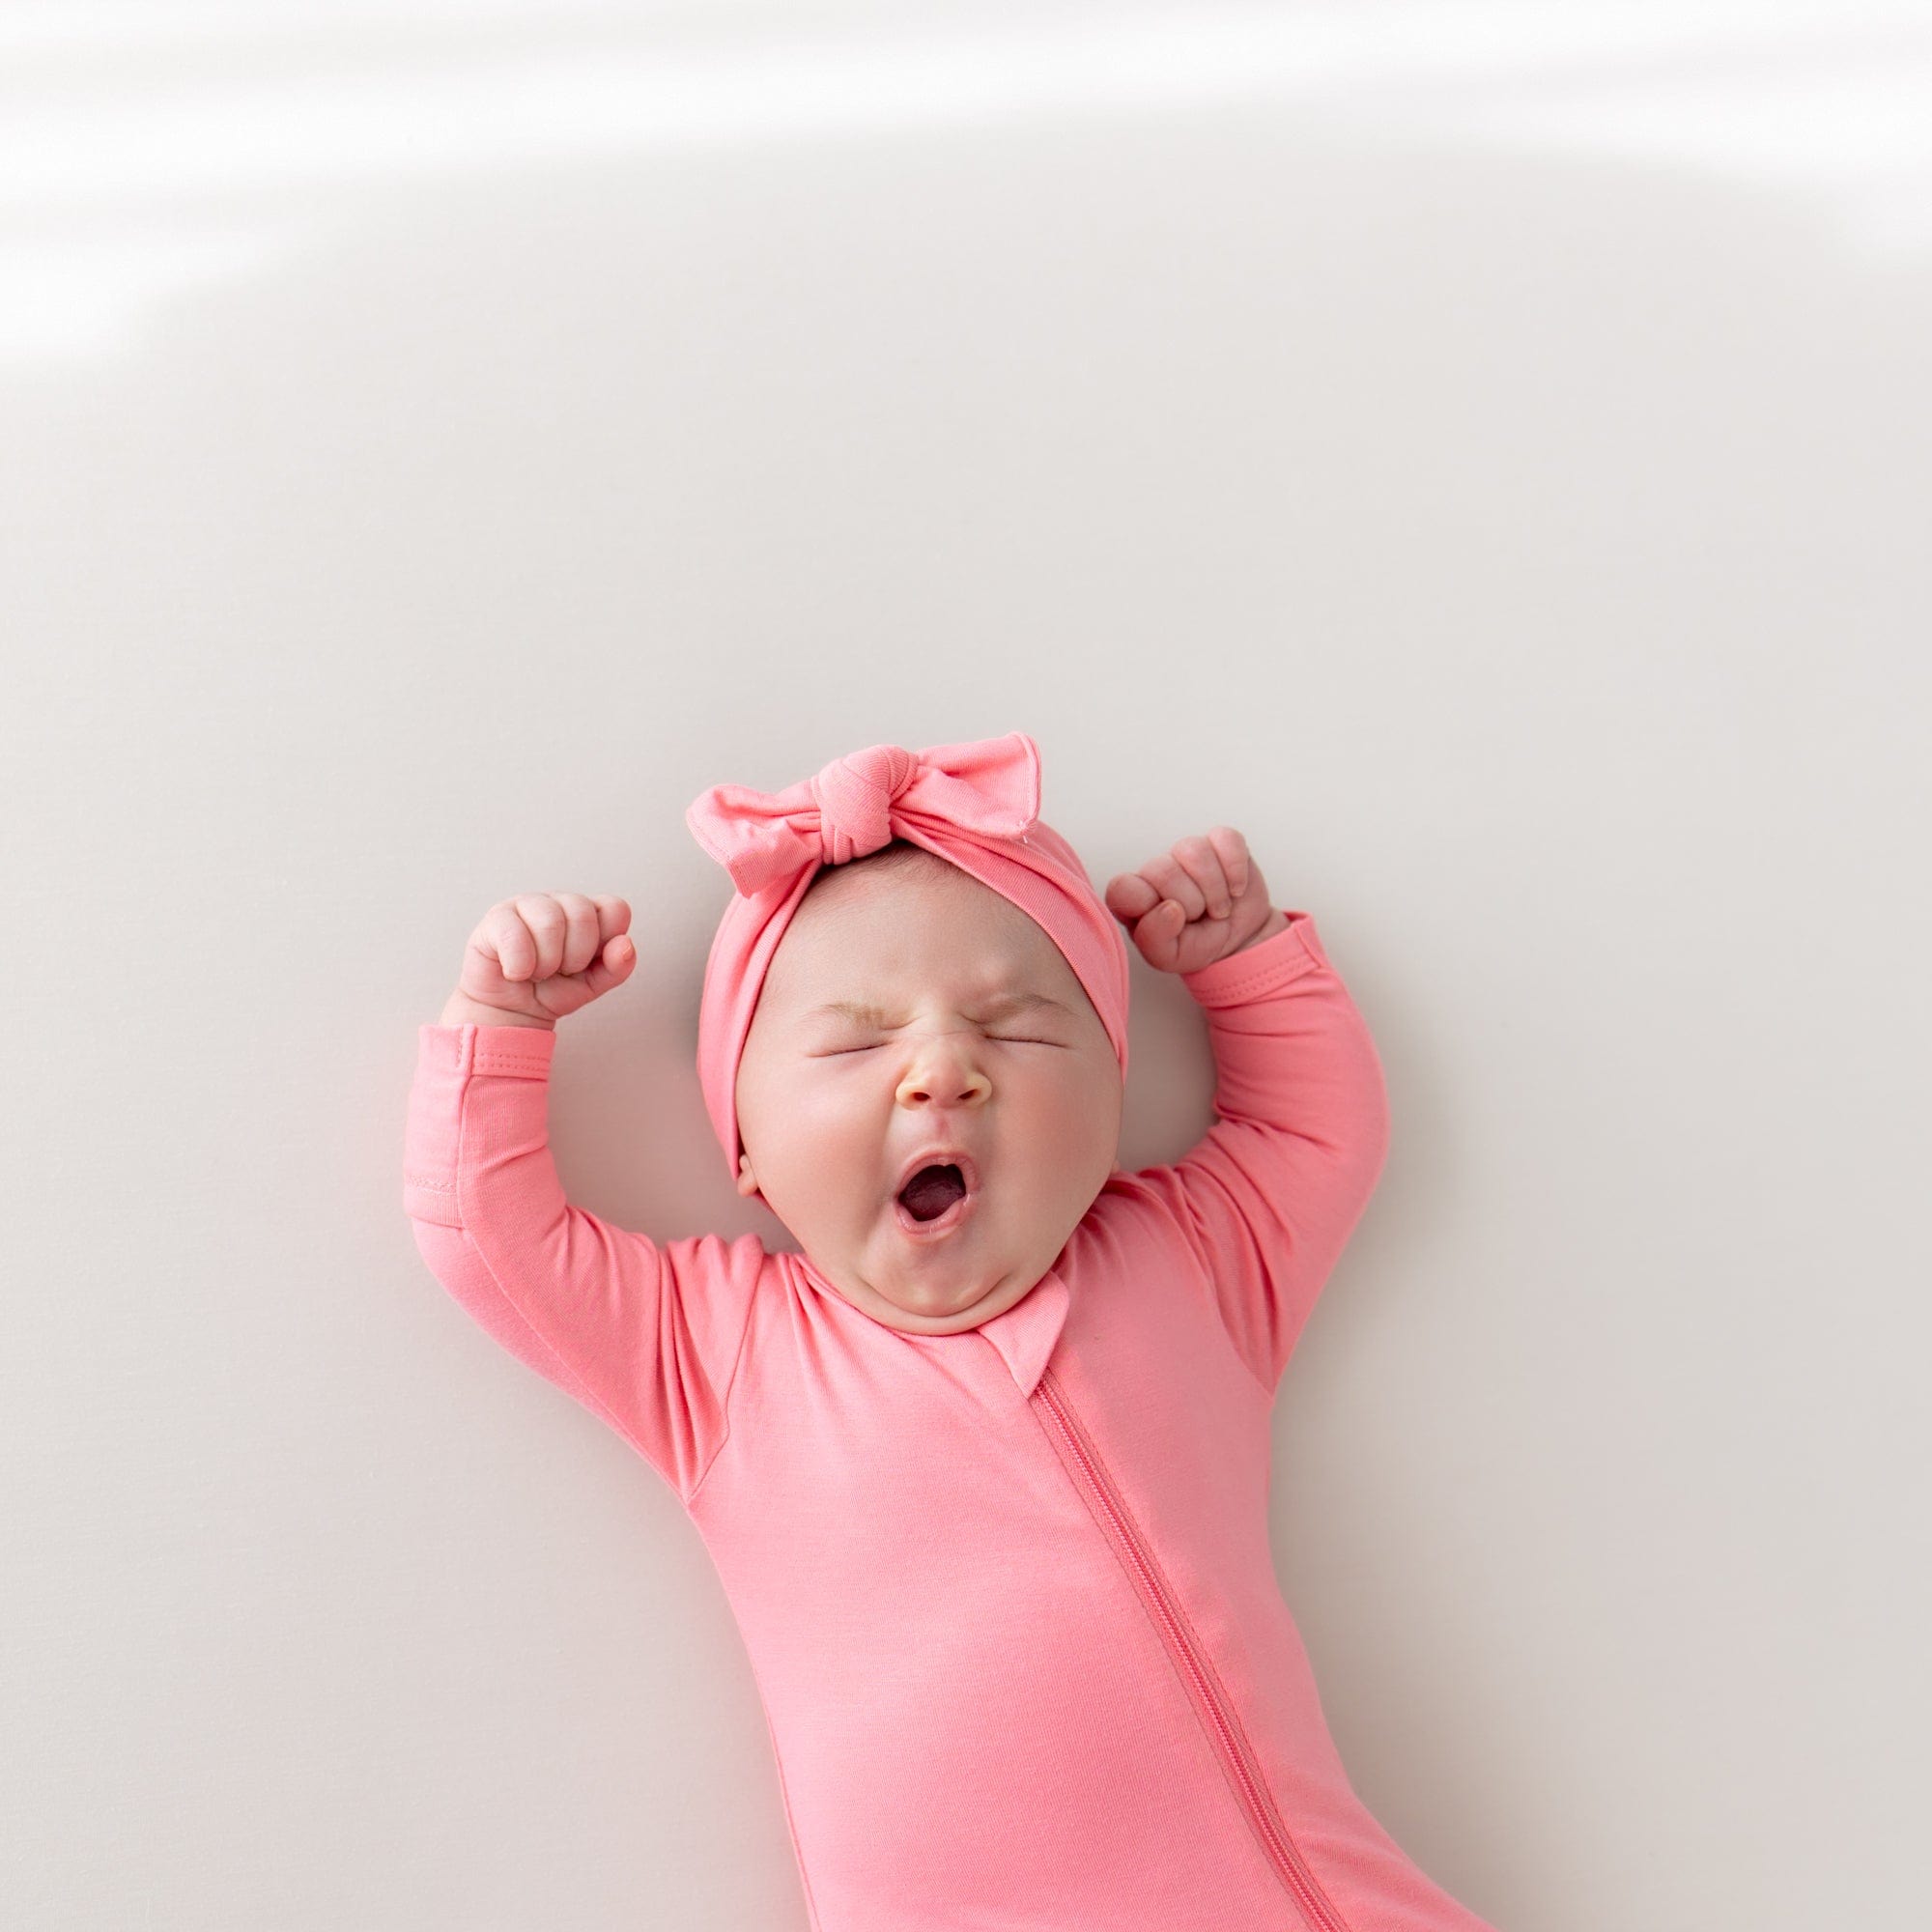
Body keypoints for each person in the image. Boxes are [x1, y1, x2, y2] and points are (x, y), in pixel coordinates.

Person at [403, 730, 1500, 1931]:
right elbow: (489, 1236)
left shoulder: (1187, 1263)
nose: (940, 1068)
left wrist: (1241, 961)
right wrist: (497, 1022)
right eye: (856, 1040)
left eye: (1017, 1029)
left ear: (1112, 1097)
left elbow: (1313, 1132)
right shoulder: (720, 1351)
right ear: (747, 1149)